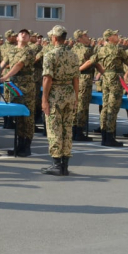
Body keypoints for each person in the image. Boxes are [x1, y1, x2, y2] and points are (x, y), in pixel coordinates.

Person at [79, 29, 128, 148]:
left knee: (105, 107)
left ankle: (104, 133)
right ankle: (109, 136)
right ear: (109, 38)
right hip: (115, 78)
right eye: (114, 35)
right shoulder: (118, 50)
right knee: (113, 107)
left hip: (106, 77)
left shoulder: (101, 49)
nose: (117, 35)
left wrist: (77, 70)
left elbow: (90, 61)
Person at [41, 26, 80, 176]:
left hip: (55, 94)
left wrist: (44, 99)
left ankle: (57, 164)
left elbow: (47, 78)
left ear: (55, 38)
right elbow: (76, 79)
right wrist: (75, 97)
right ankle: (65, 165)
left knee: (54, 129)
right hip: (69, 92)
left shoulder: (50, 55)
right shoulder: (73, 55)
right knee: (67, 129)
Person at [0, 30, 38, 156]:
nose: (24, 35)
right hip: (14, 85)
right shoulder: (11, 50)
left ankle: (26, 146)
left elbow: (19, 65)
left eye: (26, 34)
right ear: (17, 37)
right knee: (17, 115)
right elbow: (4, 63)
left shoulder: (29, 50)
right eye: (21, 33)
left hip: (26, 85)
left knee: (27, 115)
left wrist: (5, 76)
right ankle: (19, 144)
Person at [71, 29, 95, 142]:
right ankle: (79, 131)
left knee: (75, 103)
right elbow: (92, 62)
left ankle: (74, 129)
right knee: (83, 104)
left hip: (74, 78)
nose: (88, 37)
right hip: (84, 77)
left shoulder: (73, 49)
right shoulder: (87, 50)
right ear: (79, 38)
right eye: (85, 35)